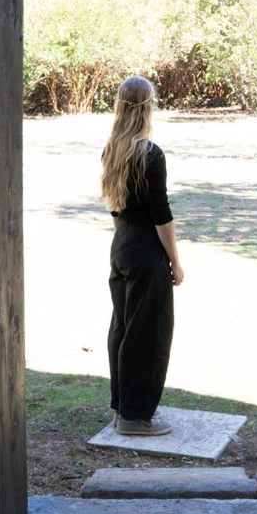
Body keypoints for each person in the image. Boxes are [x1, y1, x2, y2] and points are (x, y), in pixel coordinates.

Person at [100, 75, 184, 436]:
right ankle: (135, 418)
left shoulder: (113, 148)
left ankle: (122, 408)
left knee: (122, 327)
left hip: (121, 245)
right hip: (146, 251)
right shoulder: (149, 153)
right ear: (147, 106)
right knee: (147, 334)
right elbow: (161, 214)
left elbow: (117, 207)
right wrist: (175, 261)